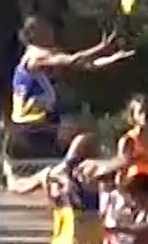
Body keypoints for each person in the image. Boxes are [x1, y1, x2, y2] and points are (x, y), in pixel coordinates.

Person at [7, 15, 134, 158]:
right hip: (30, 125)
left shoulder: (45, 56)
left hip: (42, 121)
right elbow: (72, 59)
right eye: (46, 29)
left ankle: (70, 167)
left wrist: (112, 58)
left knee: (83, 132)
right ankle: (70, 168)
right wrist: (100, 47)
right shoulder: (35, 56)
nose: (51, 32)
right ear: (34, 33)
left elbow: (86, 65)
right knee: (85, 135)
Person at [81, 93, 148, 232]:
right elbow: (121, 167)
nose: (146, 115)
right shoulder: (129, 140)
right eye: (141, 112)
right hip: (132, 186)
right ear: (134, 116)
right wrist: (123, 194)